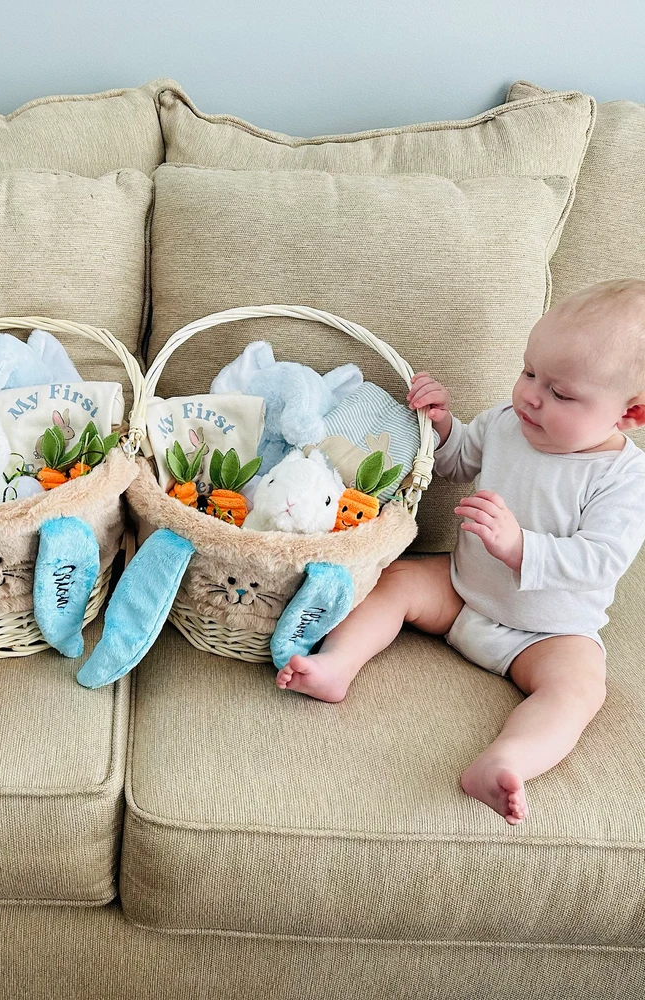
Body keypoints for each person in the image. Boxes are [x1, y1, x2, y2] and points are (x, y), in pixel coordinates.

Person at [276, 279, 645, 824]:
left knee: (580, 690)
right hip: (461, 593)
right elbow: (453, 463)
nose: (531, 396)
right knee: (393, 578)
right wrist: (442, 424)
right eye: (528, 372)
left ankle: (506, 760)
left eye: (561, 393)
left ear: (630, 415)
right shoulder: (506, 422)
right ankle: (336, 665)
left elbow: (600, 560)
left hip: (548, 632)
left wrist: (520, 547)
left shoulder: (624, 479)